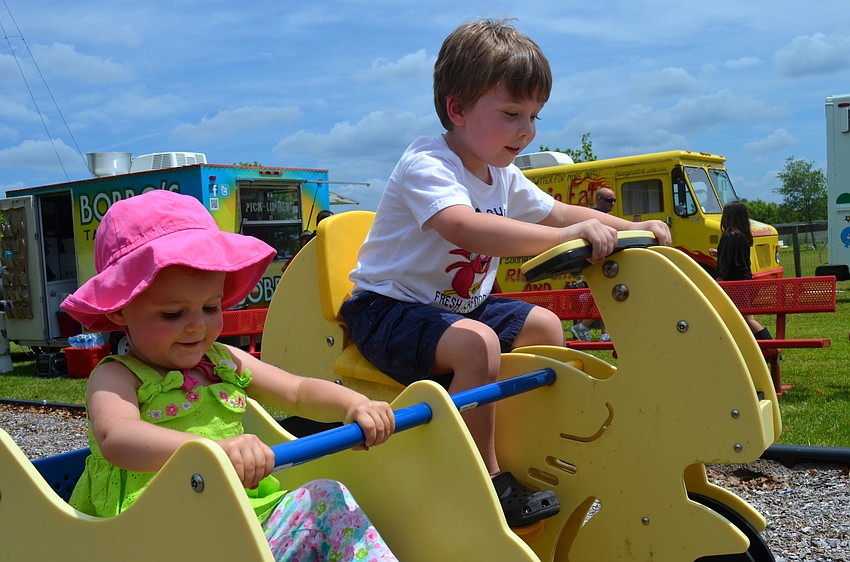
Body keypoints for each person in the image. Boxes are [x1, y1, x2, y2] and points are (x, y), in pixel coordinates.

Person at [340, 18, 671, 527]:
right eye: (513, 113)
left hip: (457, 308)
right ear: (457, 109)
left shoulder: (503, 174)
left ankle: (534, 446)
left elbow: (559, 212)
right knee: (478, 346)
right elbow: (463, 228)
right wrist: (567, 238)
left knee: (544, 326)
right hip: (387, 310)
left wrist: (629, 225)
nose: (527, 130)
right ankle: (483, 477)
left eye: (535, 116)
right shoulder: (427, 164)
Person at [61, 190, 398, 561]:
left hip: (245, 519)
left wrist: (353, 404)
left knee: (326, 498)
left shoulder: (222, 360)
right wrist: (212, 453)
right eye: (173, 314)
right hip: (161, 534)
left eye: (210, 307)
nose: (197, 327)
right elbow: (117, 437)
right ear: (119, 311)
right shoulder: (119, 376)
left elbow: (297, 391)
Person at [709, 200, 772, 340]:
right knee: (746, 319)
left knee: (748, 320)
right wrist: (719, 252)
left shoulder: (728, 236)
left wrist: (718, 281)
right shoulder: (743, 235)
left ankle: (773, 349)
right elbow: (736, 258)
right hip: (745, 281)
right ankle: (765, 349)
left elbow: (725, 263)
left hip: (735, 284)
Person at [570, 187, 616, 342]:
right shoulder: (593, 219)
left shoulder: (607, 218)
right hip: (593, 265)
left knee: (603, 297)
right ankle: (583, 326)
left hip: (603, 265)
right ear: (598, 200)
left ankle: (604, 333)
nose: (613, 204)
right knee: (602, 297)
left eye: (614, 200)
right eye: (609, 200)